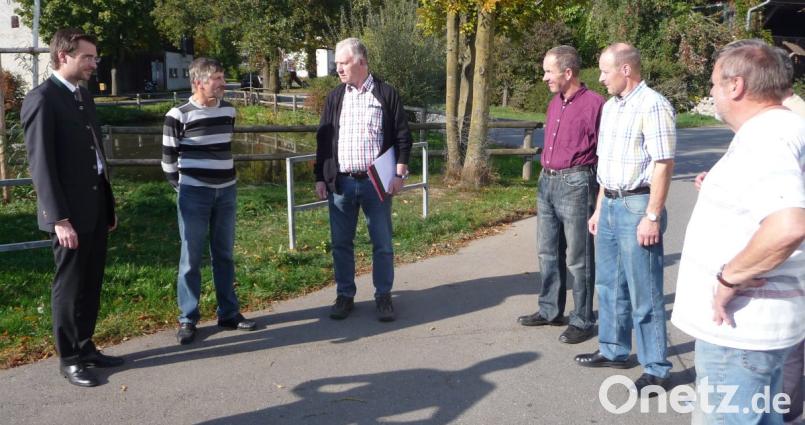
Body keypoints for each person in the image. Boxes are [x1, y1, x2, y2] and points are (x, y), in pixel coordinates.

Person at [674, 39, 805, 424]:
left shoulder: (765, 137)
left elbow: (788, 224)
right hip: (764, 329)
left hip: (740, 333)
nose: (711, 93)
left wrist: (730, 276)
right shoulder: (790, 129)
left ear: (736, 86)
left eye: (714, 84)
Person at [21, 28, 123, 387]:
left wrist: (107, 203)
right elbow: (41, 166)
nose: (95, 64)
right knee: (70, 284)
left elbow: (94, 153)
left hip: (95, 205)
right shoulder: (43, 99)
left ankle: (86, 346)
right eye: (88, 57)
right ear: (64, 56)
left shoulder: (82, 95)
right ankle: (69, 359)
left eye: (94, 57)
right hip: (68, 214)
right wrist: (59, 218)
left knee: (91, 280)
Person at [574, 43, 676, 394]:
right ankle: (614, 349)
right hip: (611, 204)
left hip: (638, 206)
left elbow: (663, 164)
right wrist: (600, 208)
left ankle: (657, 367)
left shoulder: (654, 105)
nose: (600, 78)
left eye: (605, 71)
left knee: (644, 292)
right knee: (609, 284)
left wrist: (652, 215)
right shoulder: (612, 108)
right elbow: (606, 166)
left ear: (626, 70)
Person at [314, 37, 412, 322]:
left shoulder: (385, 93)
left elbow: (403, 135)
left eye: (343, 63)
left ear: (361, 62)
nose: (339, 69)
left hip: (376, 182)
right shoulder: (335, 97)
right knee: (341, 243)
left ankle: (383, 296)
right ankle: (345, 295)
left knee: (381, 243)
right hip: (341, 183)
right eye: (337, 65)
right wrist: (321, 176)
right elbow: (323, 140)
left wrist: (399, 172)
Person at [162, 57, 256, 345]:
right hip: (194, 194)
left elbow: (224, 145)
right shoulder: (178, 115)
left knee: (224, 254)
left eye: (222, 77)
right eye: (216, 78)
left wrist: (221, 183)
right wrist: (187, 188)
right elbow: (168, 162)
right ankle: (188, 318)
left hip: (226, 191)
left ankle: (228, 312)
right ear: (198, 82)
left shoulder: (229, 110)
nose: (223, 83)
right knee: (190, 257)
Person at [516, 45, 603, 345]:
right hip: (547, 182)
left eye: (548, 71)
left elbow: (602, 153)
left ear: (568, 72)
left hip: (577, 183)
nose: (544, 78)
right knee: (547, 250)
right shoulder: (555, 102)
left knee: (579, 257)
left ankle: (582, 319)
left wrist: (599, 195)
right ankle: (550, 310)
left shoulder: (595, 104)